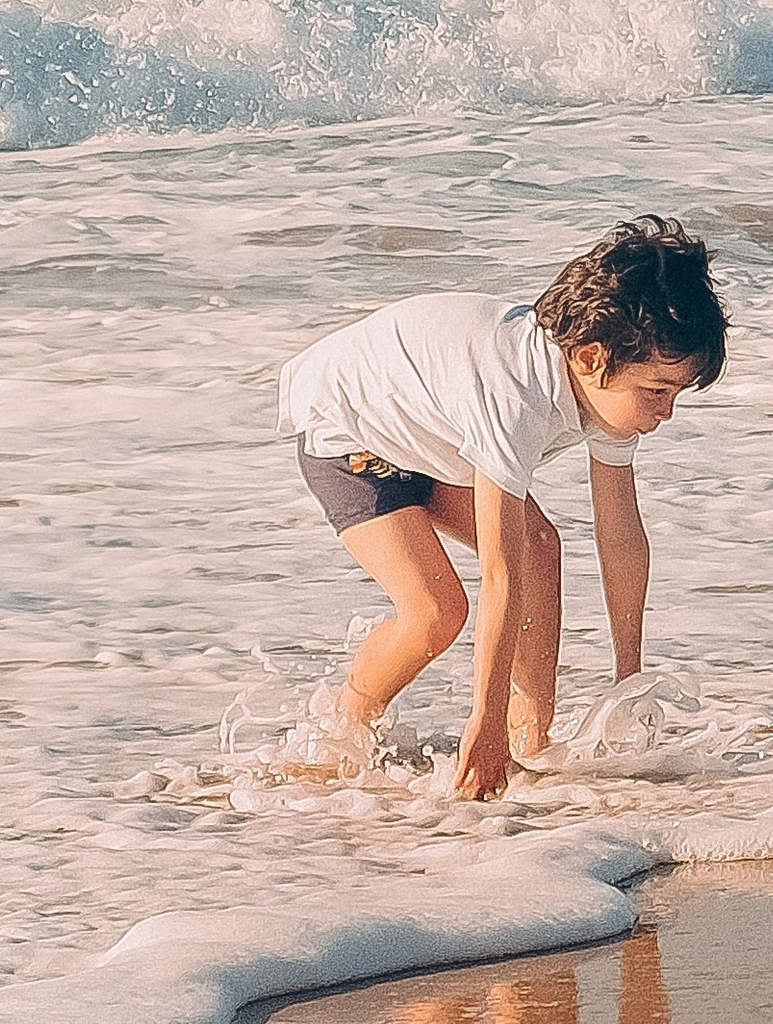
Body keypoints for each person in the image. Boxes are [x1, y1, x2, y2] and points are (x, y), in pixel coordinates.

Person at [277, 215, 726, 799]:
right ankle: (339, 733)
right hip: (349, 433)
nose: (665, 412)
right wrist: (478, 721)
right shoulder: (515, 399)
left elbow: (619, 536)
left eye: (675, 394)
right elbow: (499, 573)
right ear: (589, 358)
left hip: (433, 436)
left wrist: (628, 679)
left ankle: (526, 746)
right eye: (657, 392)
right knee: (437, 609)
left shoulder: (613, 386)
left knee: (543, 547)